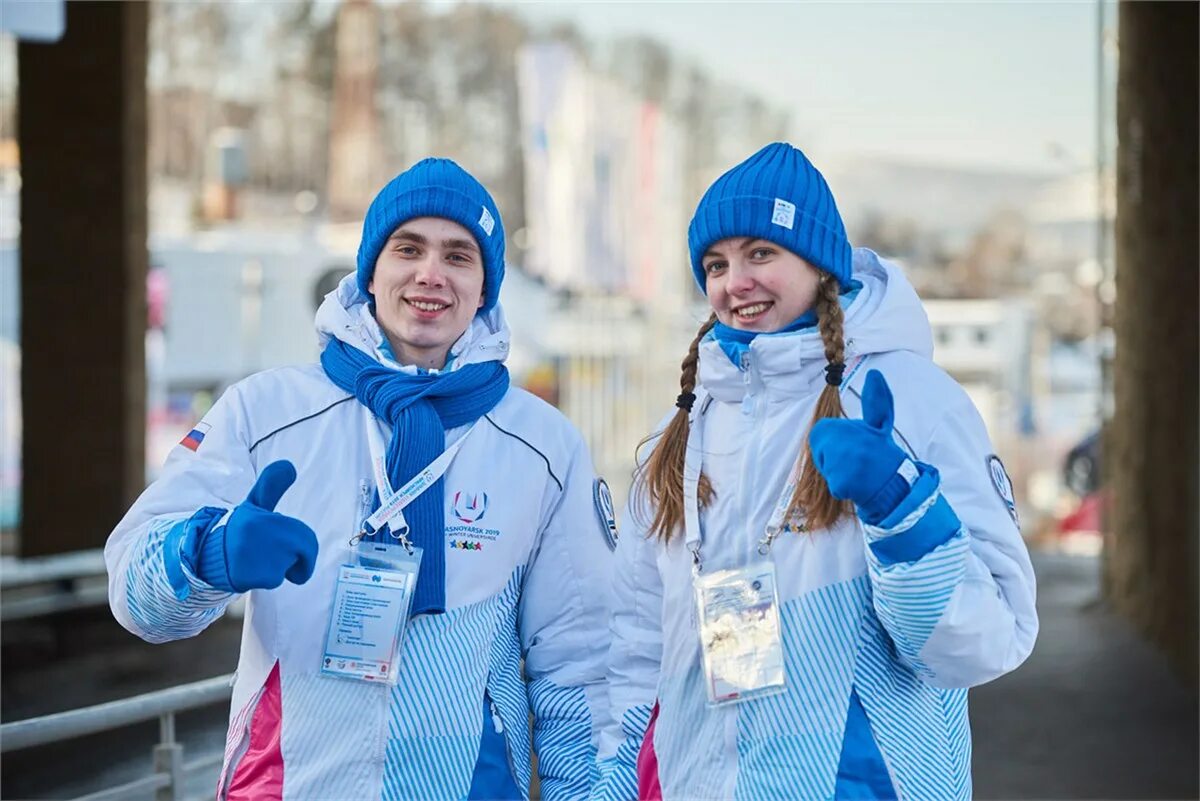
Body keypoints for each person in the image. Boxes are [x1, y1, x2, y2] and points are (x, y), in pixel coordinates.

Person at [106, 158, 616, 800]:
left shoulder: (541, 445)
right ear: (371, 271)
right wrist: (206, 553)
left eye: (459, 256)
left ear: (485, 287)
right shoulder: (266, 412)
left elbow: (583, 666)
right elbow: (133, 596)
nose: (430, 274)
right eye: (409, 249)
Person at [592, 142, 1038, 801]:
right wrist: (617, 784)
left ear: (821, 264)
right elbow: (632, 647)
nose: (734, 281)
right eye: (716, 264)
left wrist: (902, 513)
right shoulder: (679, 434)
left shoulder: (911, 397)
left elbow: (989, 639)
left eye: (760, 253)